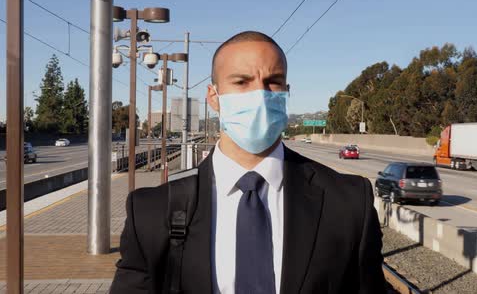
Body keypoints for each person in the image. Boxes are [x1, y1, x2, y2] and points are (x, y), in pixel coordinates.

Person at [110, 31, 386, 294]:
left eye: (273, 81)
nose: (260, 95)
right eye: (242, 82)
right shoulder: (151, 211)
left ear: (286, 92)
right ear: (213, 96)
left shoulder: (348, 202)